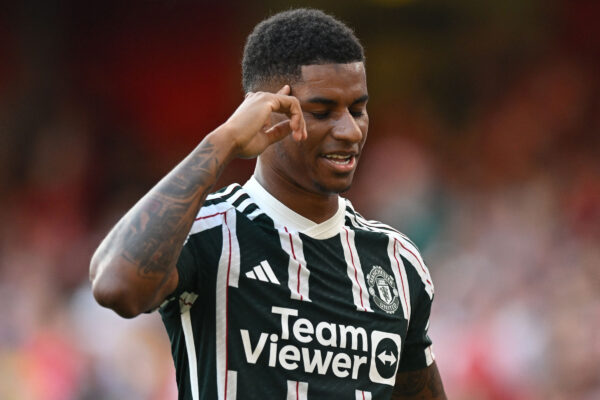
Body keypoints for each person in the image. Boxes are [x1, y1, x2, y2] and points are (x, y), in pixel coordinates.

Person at [90, 8, 446, 400]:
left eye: (358, 109)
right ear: (264, 112)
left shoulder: (396, 261)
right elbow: (116, 287)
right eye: (322, 112)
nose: (349, 130)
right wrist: (224, 140)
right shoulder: (208, 234)